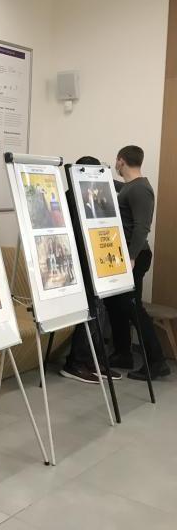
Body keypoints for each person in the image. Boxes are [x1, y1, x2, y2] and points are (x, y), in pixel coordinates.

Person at [106, 145, 170, 380]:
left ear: (121, 161)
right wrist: (99, 175)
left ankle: (157, 362)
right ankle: (123, 353)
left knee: (132, 307)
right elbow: (120, 188)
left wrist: (131, 257)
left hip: (135, 256)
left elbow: (142, 227)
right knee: (116, 304)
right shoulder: (131, 187)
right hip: (126, 256)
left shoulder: (140, 189)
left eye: (116, 162)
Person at [60, 156, 122, 384]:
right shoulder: (71, 198)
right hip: (80, 263)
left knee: (99, 309)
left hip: (94, 262)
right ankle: (76, 362)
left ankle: (92, 360)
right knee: (91, 310)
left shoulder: (91, 197)